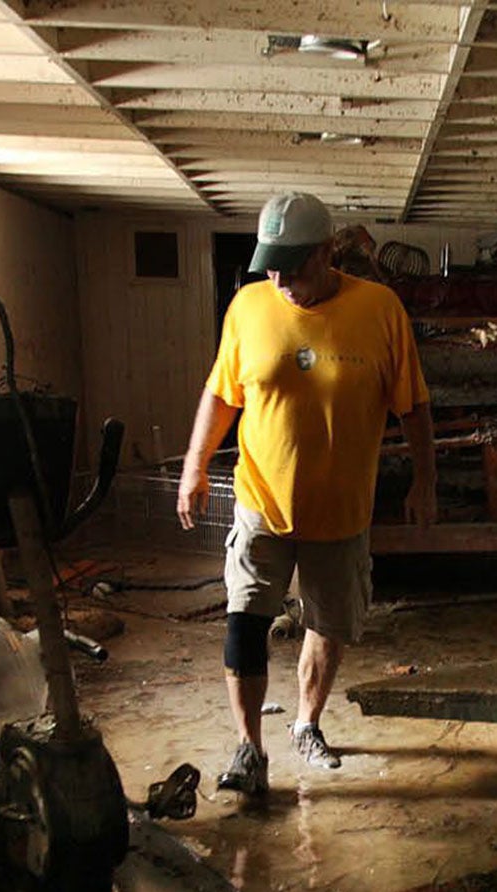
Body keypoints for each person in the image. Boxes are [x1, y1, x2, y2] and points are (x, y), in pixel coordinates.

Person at [176, 190, 437, 799]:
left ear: (328, 252)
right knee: (244, 622)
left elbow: (414, 405)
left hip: (341, 516)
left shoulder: (380, 309)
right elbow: (221, 395)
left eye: (294, 267)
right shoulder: (248, 307)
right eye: (272, 266)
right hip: (261, 502)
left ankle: (307, 725)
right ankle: (249, 749)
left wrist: (426, 479)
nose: (281, 279)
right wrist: (195, 466)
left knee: (327, 627)